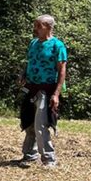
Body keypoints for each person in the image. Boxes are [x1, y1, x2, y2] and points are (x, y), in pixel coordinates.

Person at [19, 14, 67, 168]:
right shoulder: (33, 43)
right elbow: (30, 62)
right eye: (35, 25)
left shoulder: (57, 45)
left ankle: (49, 158)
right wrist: (23, 75)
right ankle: (29, 155)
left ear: (48, 27)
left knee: (41, 124)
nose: (36, 28)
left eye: (39, 25)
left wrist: (56, 94)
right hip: (31, 87)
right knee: (29, 122)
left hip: (47, 89)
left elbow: (62, 70)